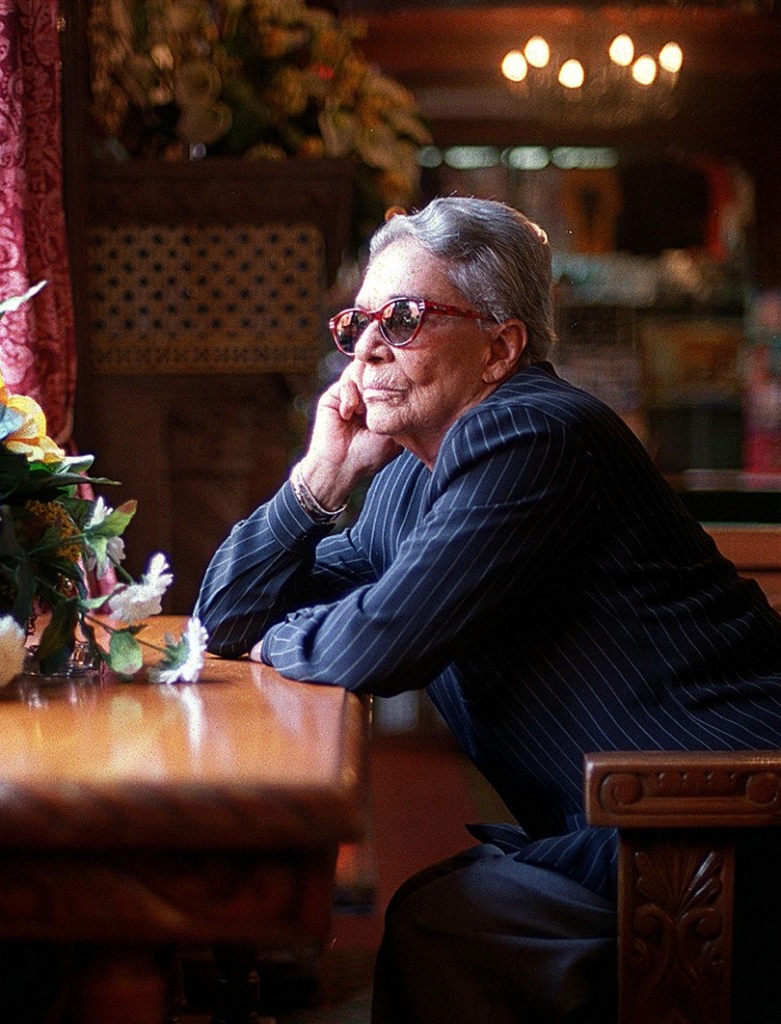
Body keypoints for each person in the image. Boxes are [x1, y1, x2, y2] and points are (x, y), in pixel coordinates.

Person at [194, 195, 781, 1024]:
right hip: (633, 819)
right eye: (358, 322)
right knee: (444, 909)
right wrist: (318, 481)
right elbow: (224, 618)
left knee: (450, 918)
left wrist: (280, 639)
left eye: (403, 319)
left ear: (501, 346)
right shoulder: (406, 479)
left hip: (728, 817)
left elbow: (375, 646)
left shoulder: (536, 430)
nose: (365, 348)